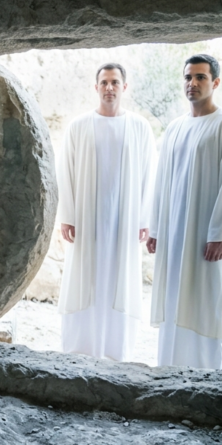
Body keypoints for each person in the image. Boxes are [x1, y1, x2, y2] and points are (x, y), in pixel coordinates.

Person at [147, 54, 222, 369]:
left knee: (208, 301)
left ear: (215, 83)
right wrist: (155, 228)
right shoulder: (176, 128)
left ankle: (208, 373)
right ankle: (170, 369)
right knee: (175, 298)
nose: (192, 84)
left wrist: (220, 233)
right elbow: (162, 181)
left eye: (200, 77)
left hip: (208, 237)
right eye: (188, 77)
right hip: (176, 235)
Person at [58, 63, 155, 361]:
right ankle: (81, 348)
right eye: (104, 82)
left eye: (115, 82)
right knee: (85, 278)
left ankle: (116, 351)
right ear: (96, 87)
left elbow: (148, 175)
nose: (109, 88)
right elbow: (67, 172)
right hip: (87, 220)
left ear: (124, 87)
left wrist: (143, 218)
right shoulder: (78, 126)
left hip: (124, 222)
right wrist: (68, 215)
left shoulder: (139, 127)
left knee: (118, 279)